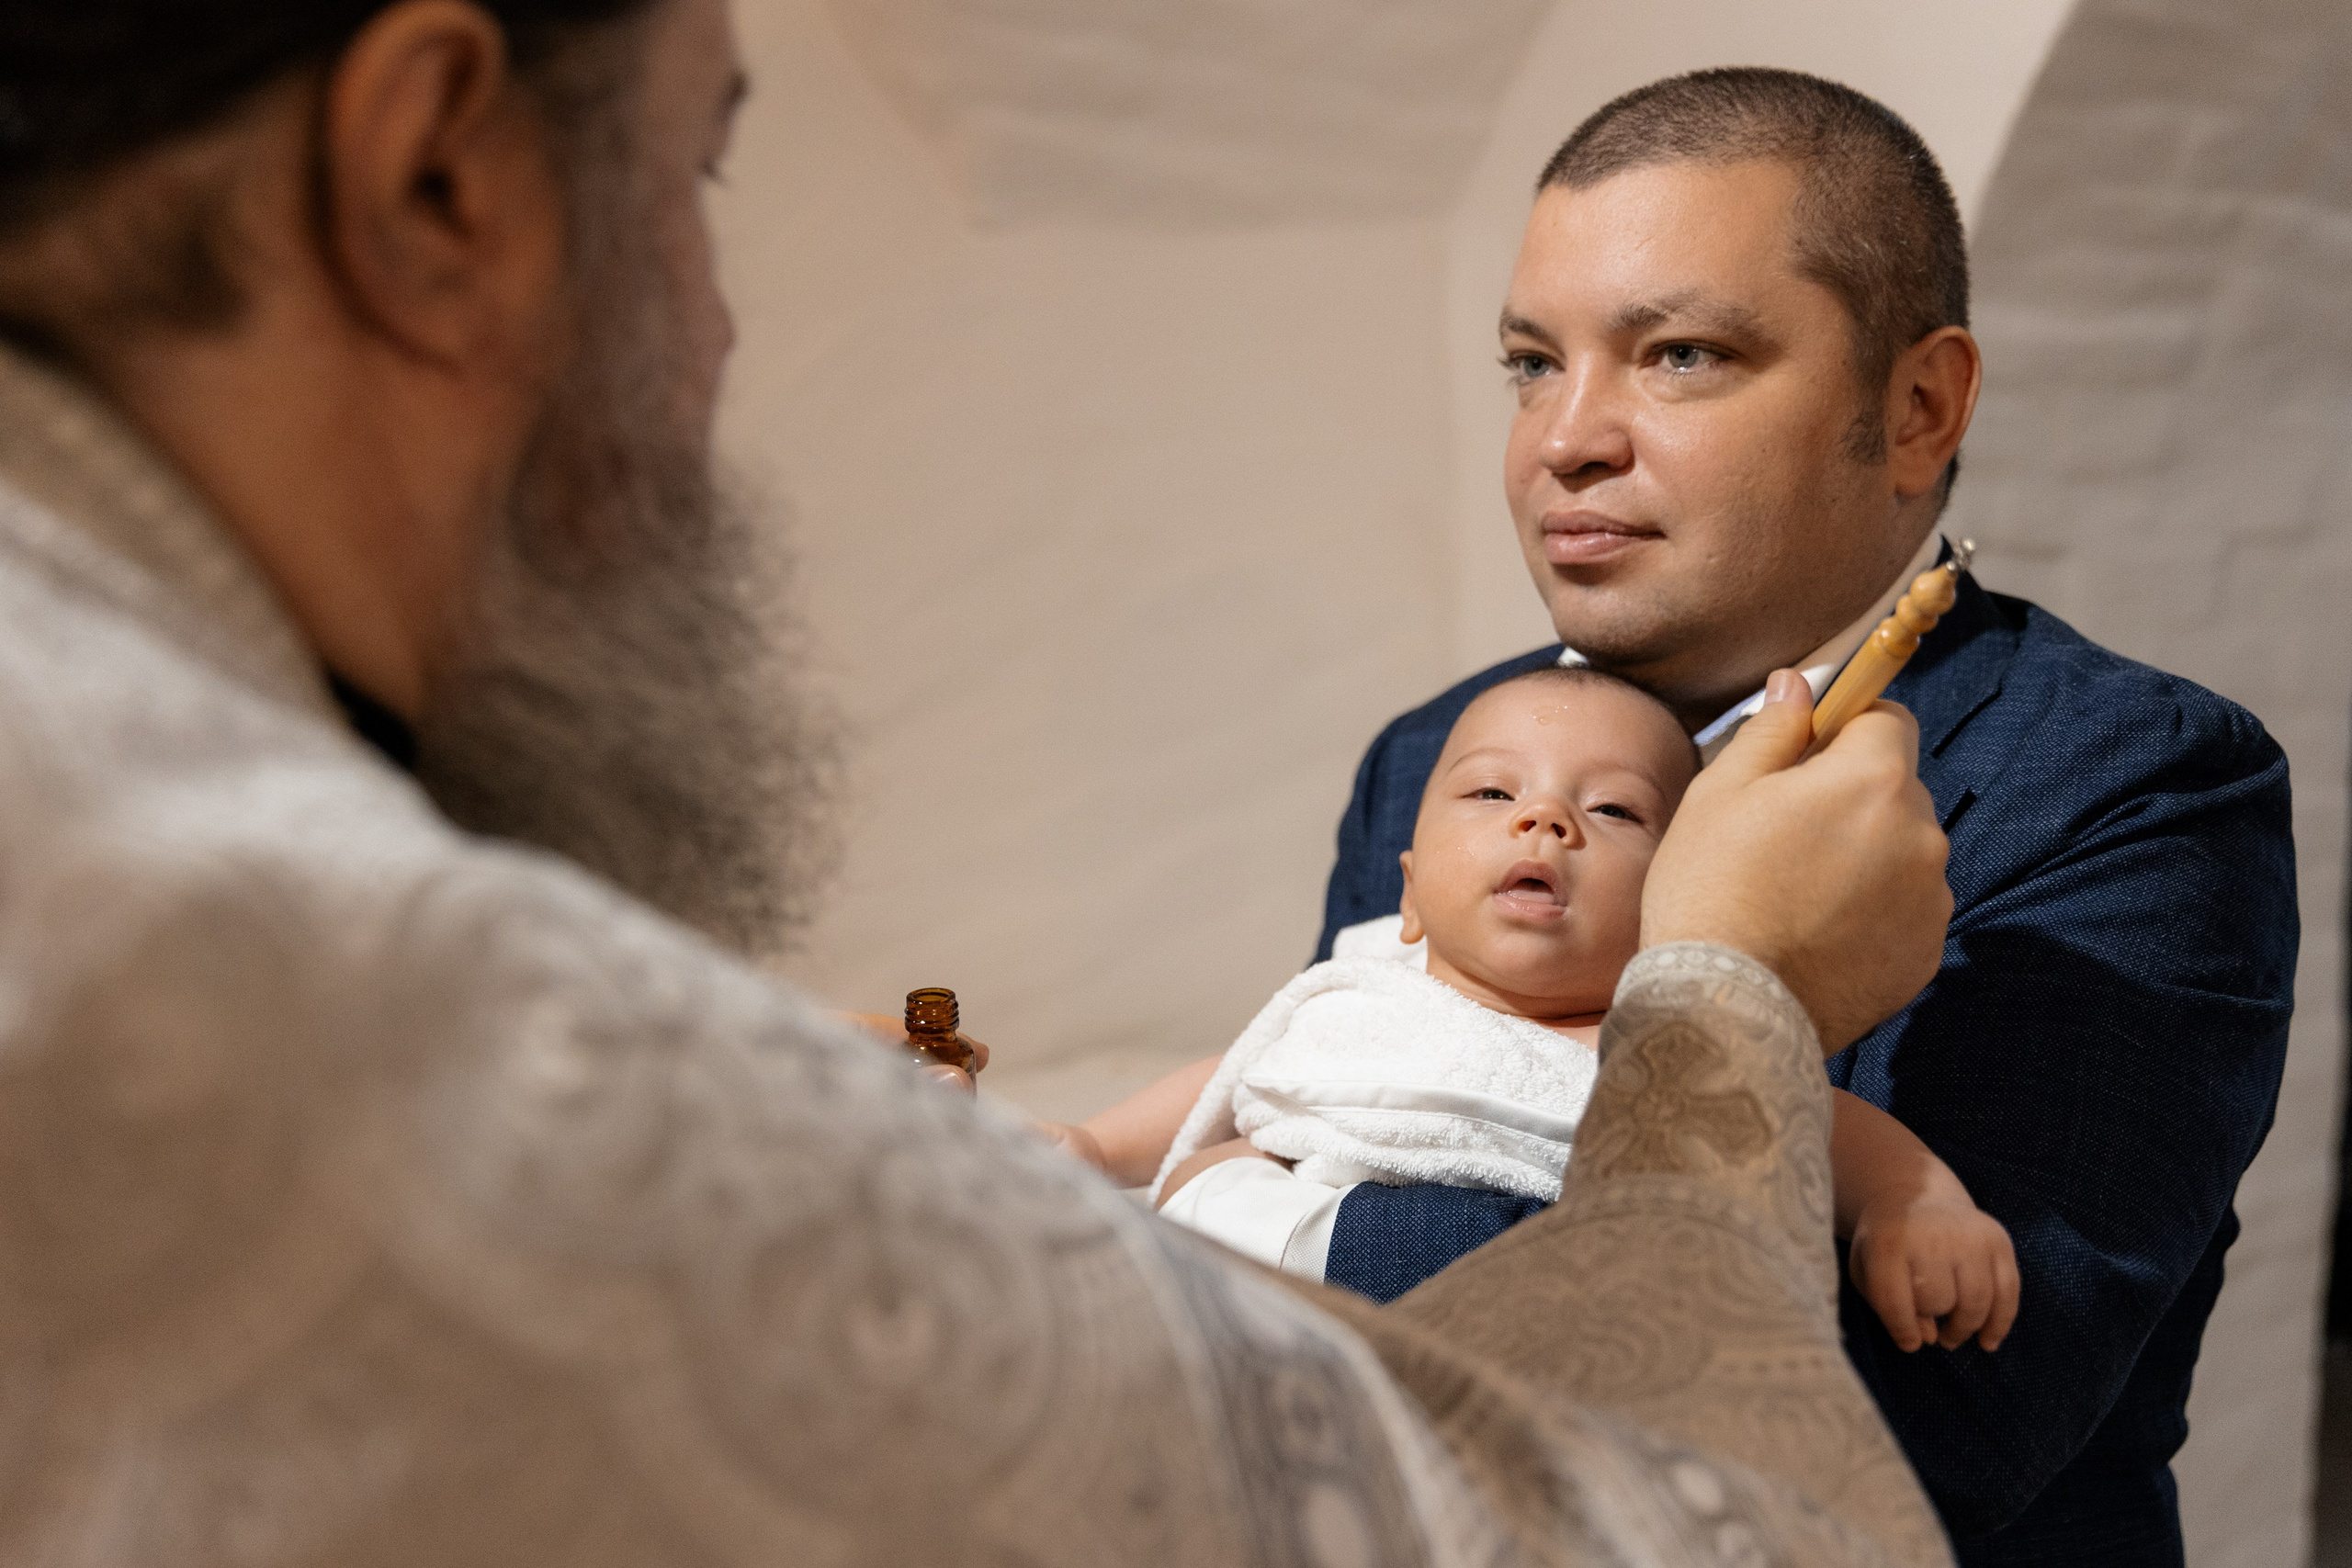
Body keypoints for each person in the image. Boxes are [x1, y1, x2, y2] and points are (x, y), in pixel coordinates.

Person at [0, 3, 1963, 1562]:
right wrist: (1720, 998)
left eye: (1680, 355)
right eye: (697, 173)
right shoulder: (289, 967)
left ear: (1917, 406)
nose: (721, 326)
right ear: (436, 178)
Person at [1313, 68, 2298, 1565]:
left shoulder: (2139, 787)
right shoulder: (1428, 757)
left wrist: (1726, 972)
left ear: (1916, 409)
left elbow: (1902, 1445)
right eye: (1531, 362)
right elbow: (1318, 1130)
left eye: (1681, 354)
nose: (1563, 439)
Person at [1057, 667, 2018, 1357]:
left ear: (1681, 900)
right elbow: (1244, 1073)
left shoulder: (1659, 1047)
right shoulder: (1363, 991)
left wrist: (1913, 1206)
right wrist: (1097, 1150)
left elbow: (1818, 1120)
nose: (1544, 819)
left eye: (1613, 811)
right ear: (1408, 894)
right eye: (1491, 790)